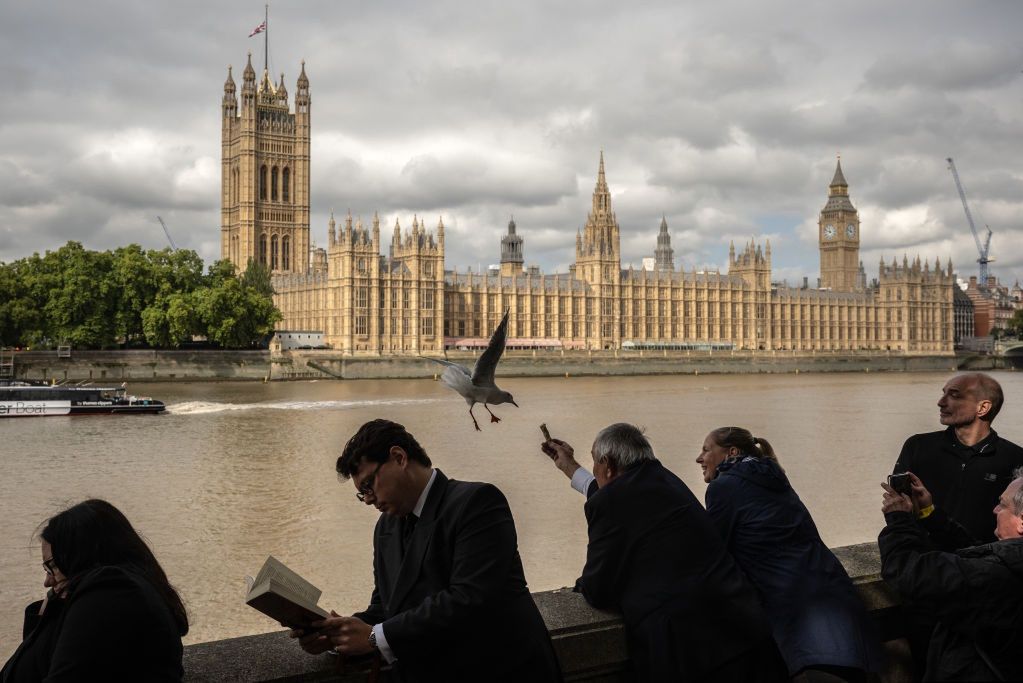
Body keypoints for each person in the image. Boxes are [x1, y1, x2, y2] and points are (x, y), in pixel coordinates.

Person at [294, 419, 561, 683]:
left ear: (399, 457)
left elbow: (468, 598)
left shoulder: (478, 502)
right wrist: (336, 634)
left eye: (367, 485)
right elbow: (386, 608)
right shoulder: (385, 528)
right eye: (361, 493)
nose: (367, 499)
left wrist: (374, 637)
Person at [542, 423, 785, 682]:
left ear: (608, 465)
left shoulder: (611, 501)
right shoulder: (665, 479)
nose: (595, 469)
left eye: (594, 461)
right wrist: (569, 466)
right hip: (745, 626)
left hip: (693, 651)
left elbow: (599, 588)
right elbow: (612, 491)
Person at [697, 427, 881, 682]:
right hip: (836, 596)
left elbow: (712, 553)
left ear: (732, 452)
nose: (699, 458)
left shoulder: (724, 487)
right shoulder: (775, 478)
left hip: (796, 610)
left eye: (706, 450)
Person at [0, 499, 188, 683]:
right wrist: (49, 609)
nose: (47, 581)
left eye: (53, 566)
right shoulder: (120, 591)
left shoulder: (111, 590)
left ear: (83, 557)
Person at [879, 467, 1023, 681]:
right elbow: (977, 555)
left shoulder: (998, 576)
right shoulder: (1008, 565)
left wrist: (899, 520)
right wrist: (930, 514)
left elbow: (907, 572)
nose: (995, 509)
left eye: (1002, 504)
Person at [894, 372, 1023, 543]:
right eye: (944, 393)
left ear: (983, 408)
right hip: (927, 560)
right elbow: (897, 506)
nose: (941, 402)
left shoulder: (1015, 457)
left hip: (983, 564)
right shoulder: (917, 446)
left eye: (954, 395)